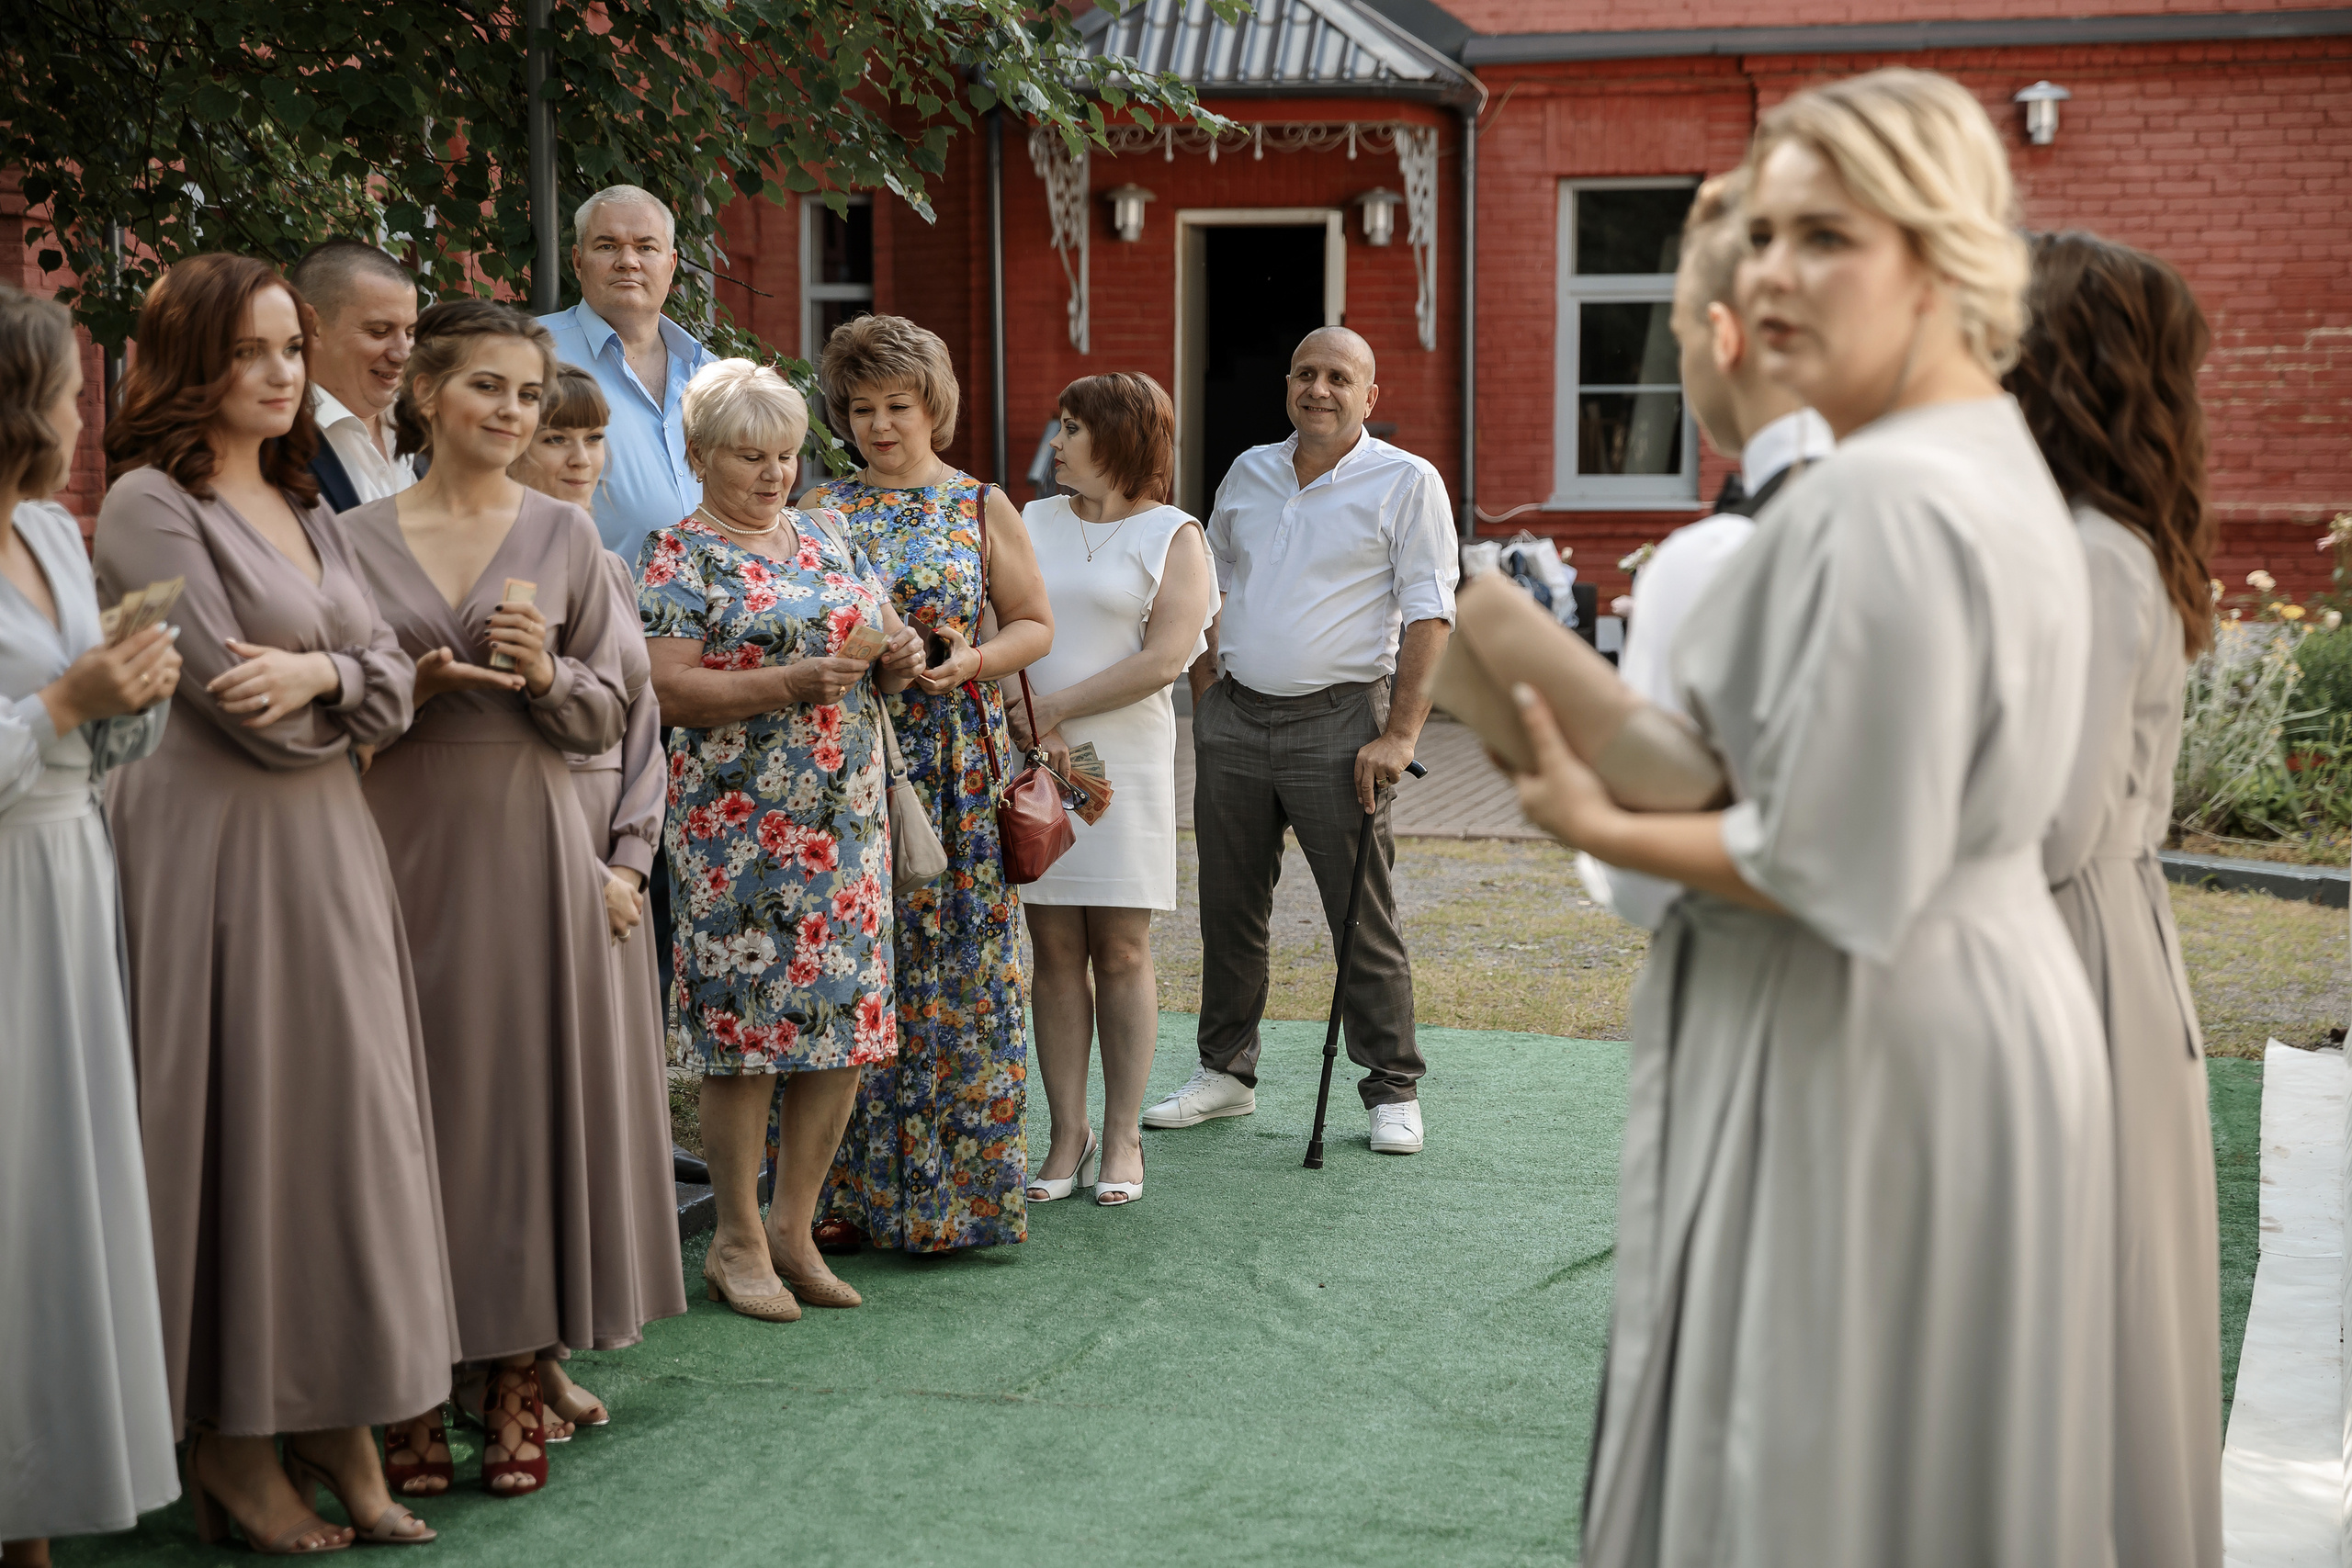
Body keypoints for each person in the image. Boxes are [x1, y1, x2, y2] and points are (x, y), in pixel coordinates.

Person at [1507, 71, 2116, 1564]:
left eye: (1827, 236)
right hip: (1972, 1004)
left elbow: (1834, 863)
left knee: (1815, 1471)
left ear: (1942, 255)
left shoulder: (1881, 496)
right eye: (1765, 235)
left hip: (1866, 1026)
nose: (1774, 273)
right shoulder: (1992, 460)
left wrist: (1591, 812)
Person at [97, 253, 455, 1551]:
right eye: (248, 351)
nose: (279, 373)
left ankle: (335, 1415)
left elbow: (392, 679)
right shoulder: (147, 504)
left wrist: (328, 676)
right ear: (188, 362)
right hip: (211, 854)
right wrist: (340, 686)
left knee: (343, 1128)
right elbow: (236, 702)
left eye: (290, 350)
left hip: (328, 846)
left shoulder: (306, 498)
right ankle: (233, 1441)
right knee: (246, 1129)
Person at [344, 299, 684, 1497]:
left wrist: (546, 672)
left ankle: (514, 1375)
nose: (512, 410)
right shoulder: (350, 538)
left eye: (529, 393)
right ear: (425, 392)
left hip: (536, 848)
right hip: (391, 843)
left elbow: (617, 711)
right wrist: (408, 687)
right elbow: (332, 705)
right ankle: (411, 1381)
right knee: (407, 1111)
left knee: (521, 1111)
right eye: (486, 385)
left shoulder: (565, 536)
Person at [2011, 231, 2222, 1568]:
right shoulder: (2096, 540)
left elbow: (2052, 821)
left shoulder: (2091, 556)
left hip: (2068, 949)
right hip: (2087, 932)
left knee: (2082, 1299)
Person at [639, 358, 922, 1312]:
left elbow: (885, 647)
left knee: (844, 1027)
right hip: (738, 832)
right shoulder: (679, 554)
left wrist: (900, 653)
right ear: (699, 455)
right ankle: (735, 1240)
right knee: (748, 1034)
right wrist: (788, 683)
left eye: (788, 455)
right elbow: (665, 689)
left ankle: (794, 1230)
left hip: (845, 826)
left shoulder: (830, 533)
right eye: (749, 456)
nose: (774, 474)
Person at [1149, 326, 1456, 1156]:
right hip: (1236, 719)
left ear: (1370, 395)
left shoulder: (1407, 481)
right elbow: (1206, 587)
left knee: (1360, 914)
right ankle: (1225, 1072)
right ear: (1288, 383)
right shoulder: (1248, 471)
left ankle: (1392, 1086)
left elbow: (1431, 613)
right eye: (1306, 373)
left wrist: (1400, 734)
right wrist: (1208, 693)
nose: (1319, 389)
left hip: (1343, 723)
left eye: (1339, 378)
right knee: (1229, 907)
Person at [803, 312, 1055, 1253]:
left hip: (955, 764)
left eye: (897, 405)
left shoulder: (980, 504)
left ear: (932, 407)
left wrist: (971, 661)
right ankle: (846, 1197)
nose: (878, 424)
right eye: (861, 406)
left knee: (960, 971)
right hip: (853, 758)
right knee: (855, 969)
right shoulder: (820, 508)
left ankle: (960, 1204)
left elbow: (1034, 624)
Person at [0, 288, 180, 1568]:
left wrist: (134, 689)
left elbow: (102, 735)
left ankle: (40, 1501)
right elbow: (50, 709)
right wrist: (67, 699)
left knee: (66, 1182)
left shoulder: (53, 535)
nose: (85, 417)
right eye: (70, 392)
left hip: (72, 867)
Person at [1577, 169, 1833, 930]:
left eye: (1678, 336)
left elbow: (1646, 886)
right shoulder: (1976, 496)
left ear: (1724, 337)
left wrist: (1580, 800)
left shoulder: (1715, 560)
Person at [1011, 373, 1216, 1207]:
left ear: (1120, 438)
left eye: (1071, 428)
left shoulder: (1175, 535)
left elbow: (1165, 659)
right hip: (1036, 752)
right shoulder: (1029, 520)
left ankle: (1123, 1133)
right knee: (1054, 950)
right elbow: (1000, 626)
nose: (1056, 443)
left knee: (1123, 950)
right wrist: (1035, 720)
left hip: (1121, 762)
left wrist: (1057, 707)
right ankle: (1068, 1131)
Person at [505, 360, 660, 1429]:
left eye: (592, 438)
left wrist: (631, 862)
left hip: (612, 855)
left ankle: (550, 1345)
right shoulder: (492, 566)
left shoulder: (604, 562)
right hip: (535, 850)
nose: (577, 458)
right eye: (556, 437)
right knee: (528, 1109)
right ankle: (508, 1353)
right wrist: (583, 868)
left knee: (590, 1116)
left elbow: (644, 731)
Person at [538, 184, 718, 562]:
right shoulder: (532, 354)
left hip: (710, 596)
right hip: (578, 595)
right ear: (577, 261)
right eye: (607, 246)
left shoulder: (710, 373)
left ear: (671, 265)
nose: (628, 261)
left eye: (646, 247)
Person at [286, 239, 419, 511]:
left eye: (409, 333)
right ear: (311, 326)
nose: (403, 353)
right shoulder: (271, 441)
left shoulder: (426, 428)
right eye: (379, 331)